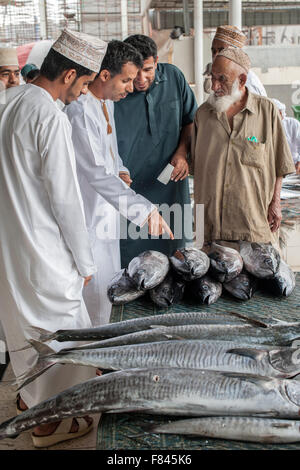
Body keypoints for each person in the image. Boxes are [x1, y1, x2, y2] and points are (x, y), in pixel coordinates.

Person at [0, 28, 107, 448]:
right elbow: (66, 202)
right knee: (64, 338)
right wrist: (84, 264)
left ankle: (39, 422)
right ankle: (53, 423)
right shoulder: (49, 116)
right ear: (67, 75)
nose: (82, 94)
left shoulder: (10, 104)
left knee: (26, 340)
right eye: (83, 84)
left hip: (11, 255)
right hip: (45, 253)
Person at [65, 40, 173, 327]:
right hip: (88, 220)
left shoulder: (105, 105)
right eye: (125, 79)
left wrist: (122, 170)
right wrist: (145, 211)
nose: (130, 86)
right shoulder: (80, 112)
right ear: (104, 76)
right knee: (94, 299)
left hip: (107, 217)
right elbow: (97, 173)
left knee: (109, 294)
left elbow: (111, 159)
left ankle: (101, 356)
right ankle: (94, 362)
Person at [191, 47, 295, 252]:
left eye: (222, 79)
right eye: (213, 77)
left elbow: (280, 164)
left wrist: (275, 203)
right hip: (212, 231)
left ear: (242, 80)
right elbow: (196, 167)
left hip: (253, 227)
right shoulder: (203, 115)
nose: (214, 86)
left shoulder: (267, 112)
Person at [115, 34, 198, 268]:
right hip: (130, 188)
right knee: (132, 257)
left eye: (148, 70)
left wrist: (182, 153)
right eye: (135, 71)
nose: (141, 79)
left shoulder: (174, 77)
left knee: (177, 250)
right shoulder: (117, 90)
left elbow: (190, 120)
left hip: (170, 183)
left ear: (157, 61)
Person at [203, 25, 267, 97]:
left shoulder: (247, 83)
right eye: (214, 51)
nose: (216, 56)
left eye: (222, 51)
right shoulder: (217, 77)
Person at [272, 98, 300, 175]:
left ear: (281, 113)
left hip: (294, 165)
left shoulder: (293, 124)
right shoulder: (265, 126)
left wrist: (299, 161)